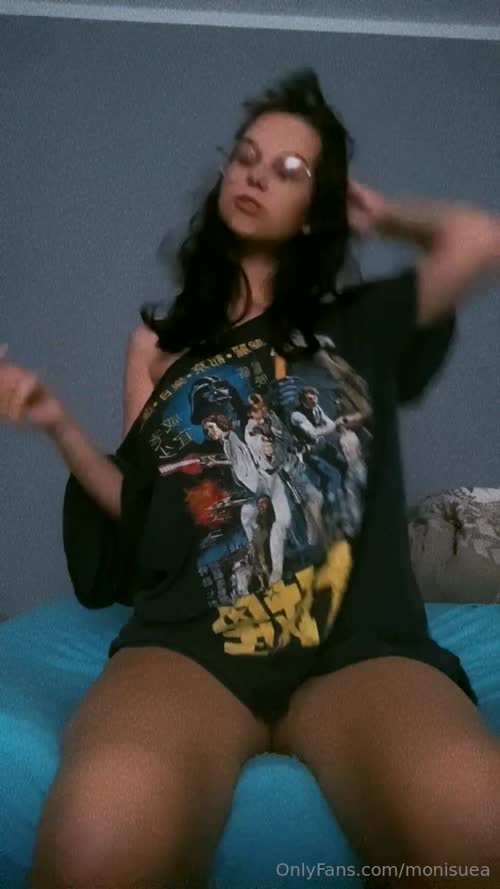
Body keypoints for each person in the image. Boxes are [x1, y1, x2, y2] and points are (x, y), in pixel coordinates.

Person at [1, 68, 500, 889]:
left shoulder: (358, 324)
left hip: (357, 640)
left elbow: (476, 240)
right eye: (245, 156)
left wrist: (382, 215)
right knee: (98, 838)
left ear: (316, 209)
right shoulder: (158, 347)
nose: (257, 174)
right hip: (192, 641)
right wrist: (57, 423)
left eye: (289, 169)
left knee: (476, 827)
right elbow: (140, 508)